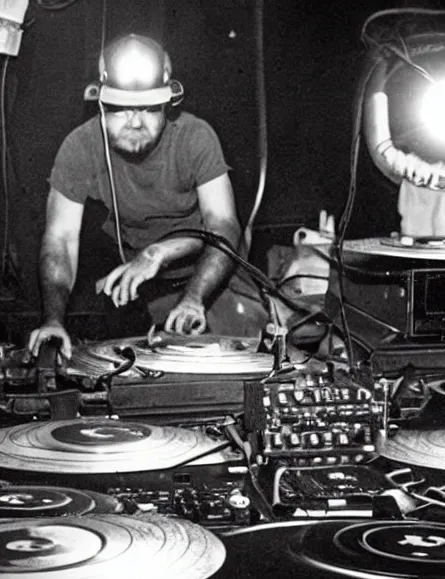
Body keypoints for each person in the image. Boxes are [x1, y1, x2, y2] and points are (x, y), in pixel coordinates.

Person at [28, 33, 268, 360]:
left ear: (168, 105)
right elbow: (60, 238)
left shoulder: (196, 137)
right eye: (122, 109)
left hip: (212, 272)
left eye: (149, 109)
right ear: (100, 103)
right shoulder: (79, 147)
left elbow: (224, 225)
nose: (136, 122)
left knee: (242, 337)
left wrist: (191, 295)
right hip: (142, 283)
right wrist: (53, 321)